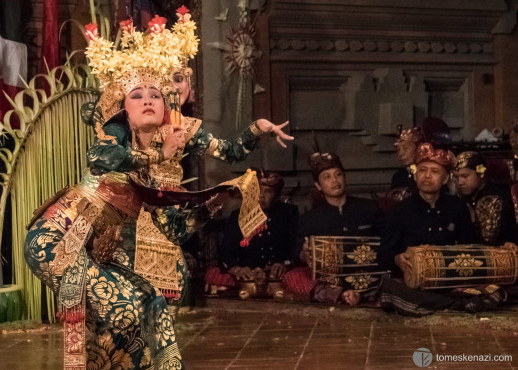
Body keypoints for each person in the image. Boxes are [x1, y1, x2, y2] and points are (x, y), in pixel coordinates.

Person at [25, 8, 293, 369]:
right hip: (64, 237)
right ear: (124, 109)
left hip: (119, 233)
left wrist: (215, 200)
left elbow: (176, 223)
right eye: (138, 95)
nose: (150, 99)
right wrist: (155, 157)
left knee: (152, 303)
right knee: (124, 310)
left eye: (157, 92)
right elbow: (102, 159)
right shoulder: (117, 134)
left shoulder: (175, 143)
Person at [378, 143, 506, 316]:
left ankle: (442, 304)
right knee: (390, 288)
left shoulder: (457, 207)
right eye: (422, 170)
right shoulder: (401, 209)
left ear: (445, 179)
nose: (427, 176)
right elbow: (383, 253)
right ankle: (459, 305)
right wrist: (397, 259)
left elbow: (469, 246)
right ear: (416, 176)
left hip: (449, 281)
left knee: (495, 290)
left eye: (434, 171)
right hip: (414, 283)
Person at [282, 152, 384, 306]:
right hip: (329, 278)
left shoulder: (369, 208)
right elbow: (298, 254)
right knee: (293, 276)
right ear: (318, 185)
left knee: (388, 279)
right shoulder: (310, 218)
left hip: (365, 274)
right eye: (327, 177)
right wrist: (305, 254)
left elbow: (386, 242)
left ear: (345, 177)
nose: (334, 180)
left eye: (338, 175)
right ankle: (340, 294)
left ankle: (355, 294)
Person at [205, 170, 299, 295]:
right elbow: (227, 251)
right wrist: (236, 269)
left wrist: (285, 264)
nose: (260, 196)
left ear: (276, 196)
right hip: (248, 275)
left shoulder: (288, 213)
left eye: (268, 192)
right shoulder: (238, 215)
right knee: (214, 275)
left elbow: (296, 246)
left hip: (277, 275)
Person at [453, 151, 517, 245]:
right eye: (456, 177)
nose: (460, 182)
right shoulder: (458, 198)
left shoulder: (499, 196)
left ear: (480, 173)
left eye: (465, 176)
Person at [390, 126, 425, 198]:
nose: (400, 153)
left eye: (405, 148)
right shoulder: (398, 176)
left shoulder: (427, 174)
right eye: (398, 150)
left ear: (419, 149)